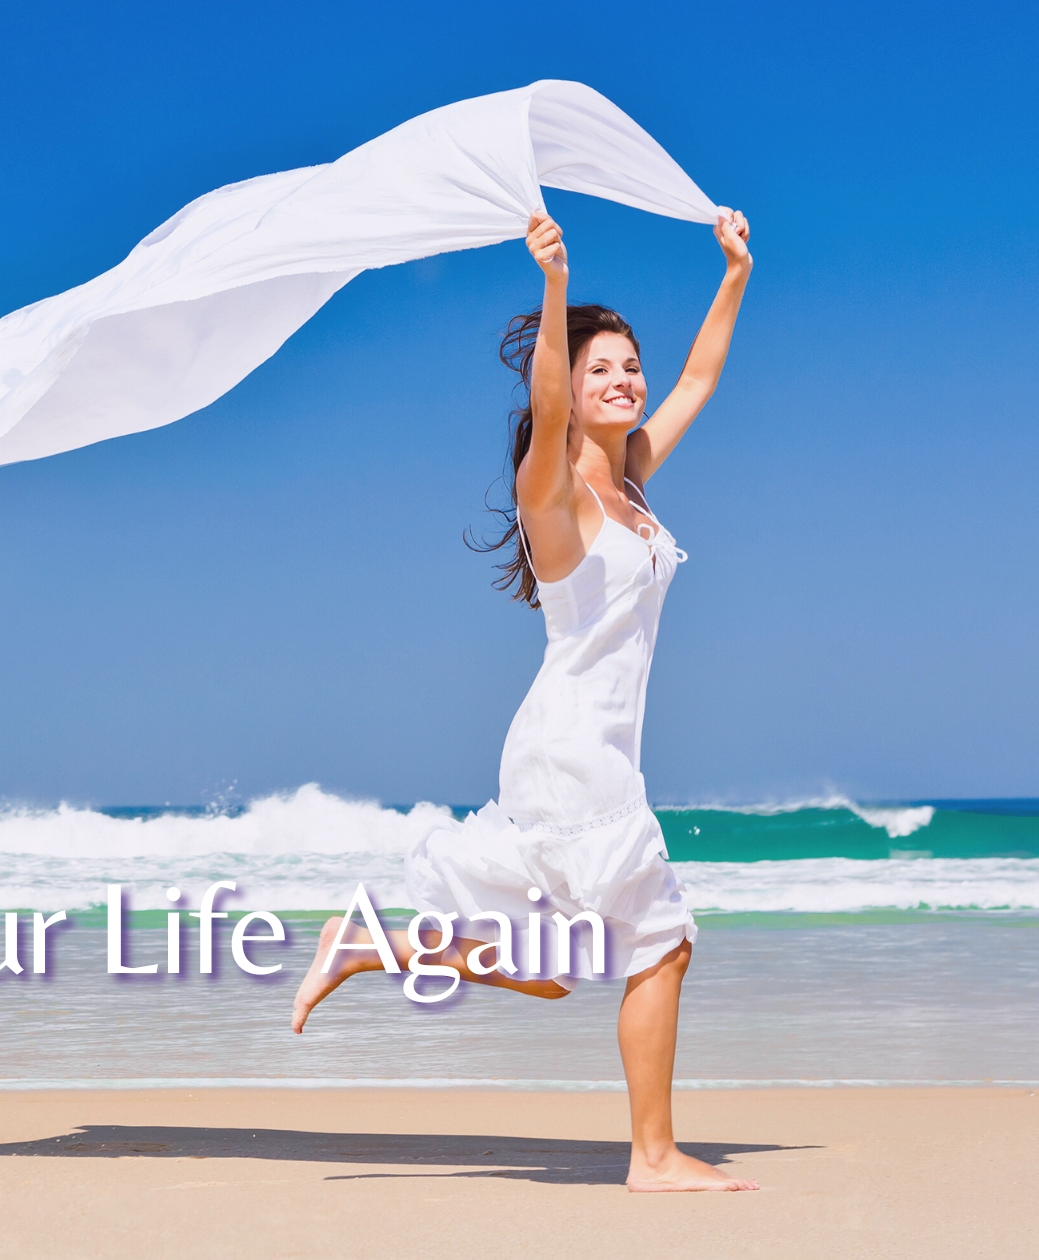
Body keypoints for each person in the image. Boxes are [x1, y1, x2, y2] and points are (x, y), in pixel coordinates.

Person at [290, 206, 757, 1192]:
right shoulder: (552, 494)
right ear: (571, 388)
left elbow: (700, 379)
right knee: (660, 943)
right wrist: (552, 288)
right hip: (569, 750)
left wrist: (731, 273)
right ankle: (653, 1156)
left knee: (548, 970)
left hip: (584, 747)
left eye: (629, 365)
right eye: (603, 370)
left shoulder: (630, 480)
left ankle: (368, 943)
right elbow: (546, 409)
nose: (624, 381)